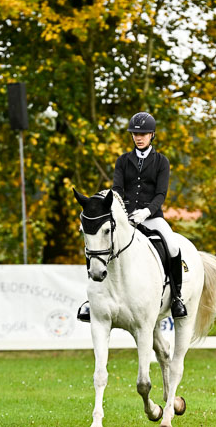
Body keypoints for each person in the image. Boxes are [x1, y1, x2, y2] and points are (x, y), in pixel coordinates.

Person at [77, 111, 187, 322]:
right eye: (135, 134)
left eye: (143, 134)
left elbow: (161, 194)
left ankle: (176, 298)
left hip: (152, 216)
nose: (139, 137)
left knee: (173, 247)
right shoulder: (123, 160)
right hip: (125, 218)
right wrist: (123, 213)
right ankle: (91, 301)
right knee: (98, 242)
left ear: (152, 135)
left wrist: (147, 211)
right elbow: (117, 189)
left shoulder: (161, 162)